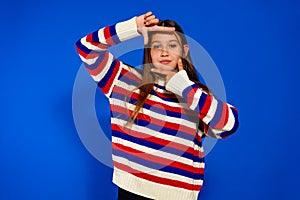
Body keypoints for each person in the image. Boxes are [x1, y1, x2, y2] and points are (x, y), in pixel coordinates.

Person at [75, 11, 239, 200]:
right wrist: (132, 27)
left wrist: (184, 88)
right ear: (149, 52)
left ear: (184, 51)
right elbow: (86, 48)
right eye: (156, 46)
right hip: (132, 193)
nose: (164, 52)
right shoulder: (124, 81)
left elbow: (229, 125)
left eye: (172, 45)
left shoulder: (195, 96)